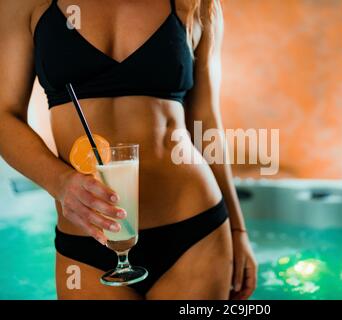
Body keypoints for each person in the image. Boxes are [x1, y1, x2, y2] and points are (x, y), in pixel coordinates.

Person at [0, 0, 257, 299]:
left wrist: (239, 232)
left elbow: (206, 123)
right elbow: (4, 115)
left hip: (193, 229)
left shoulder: (198, 4)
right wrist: (60, 182)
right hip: (88, 238)